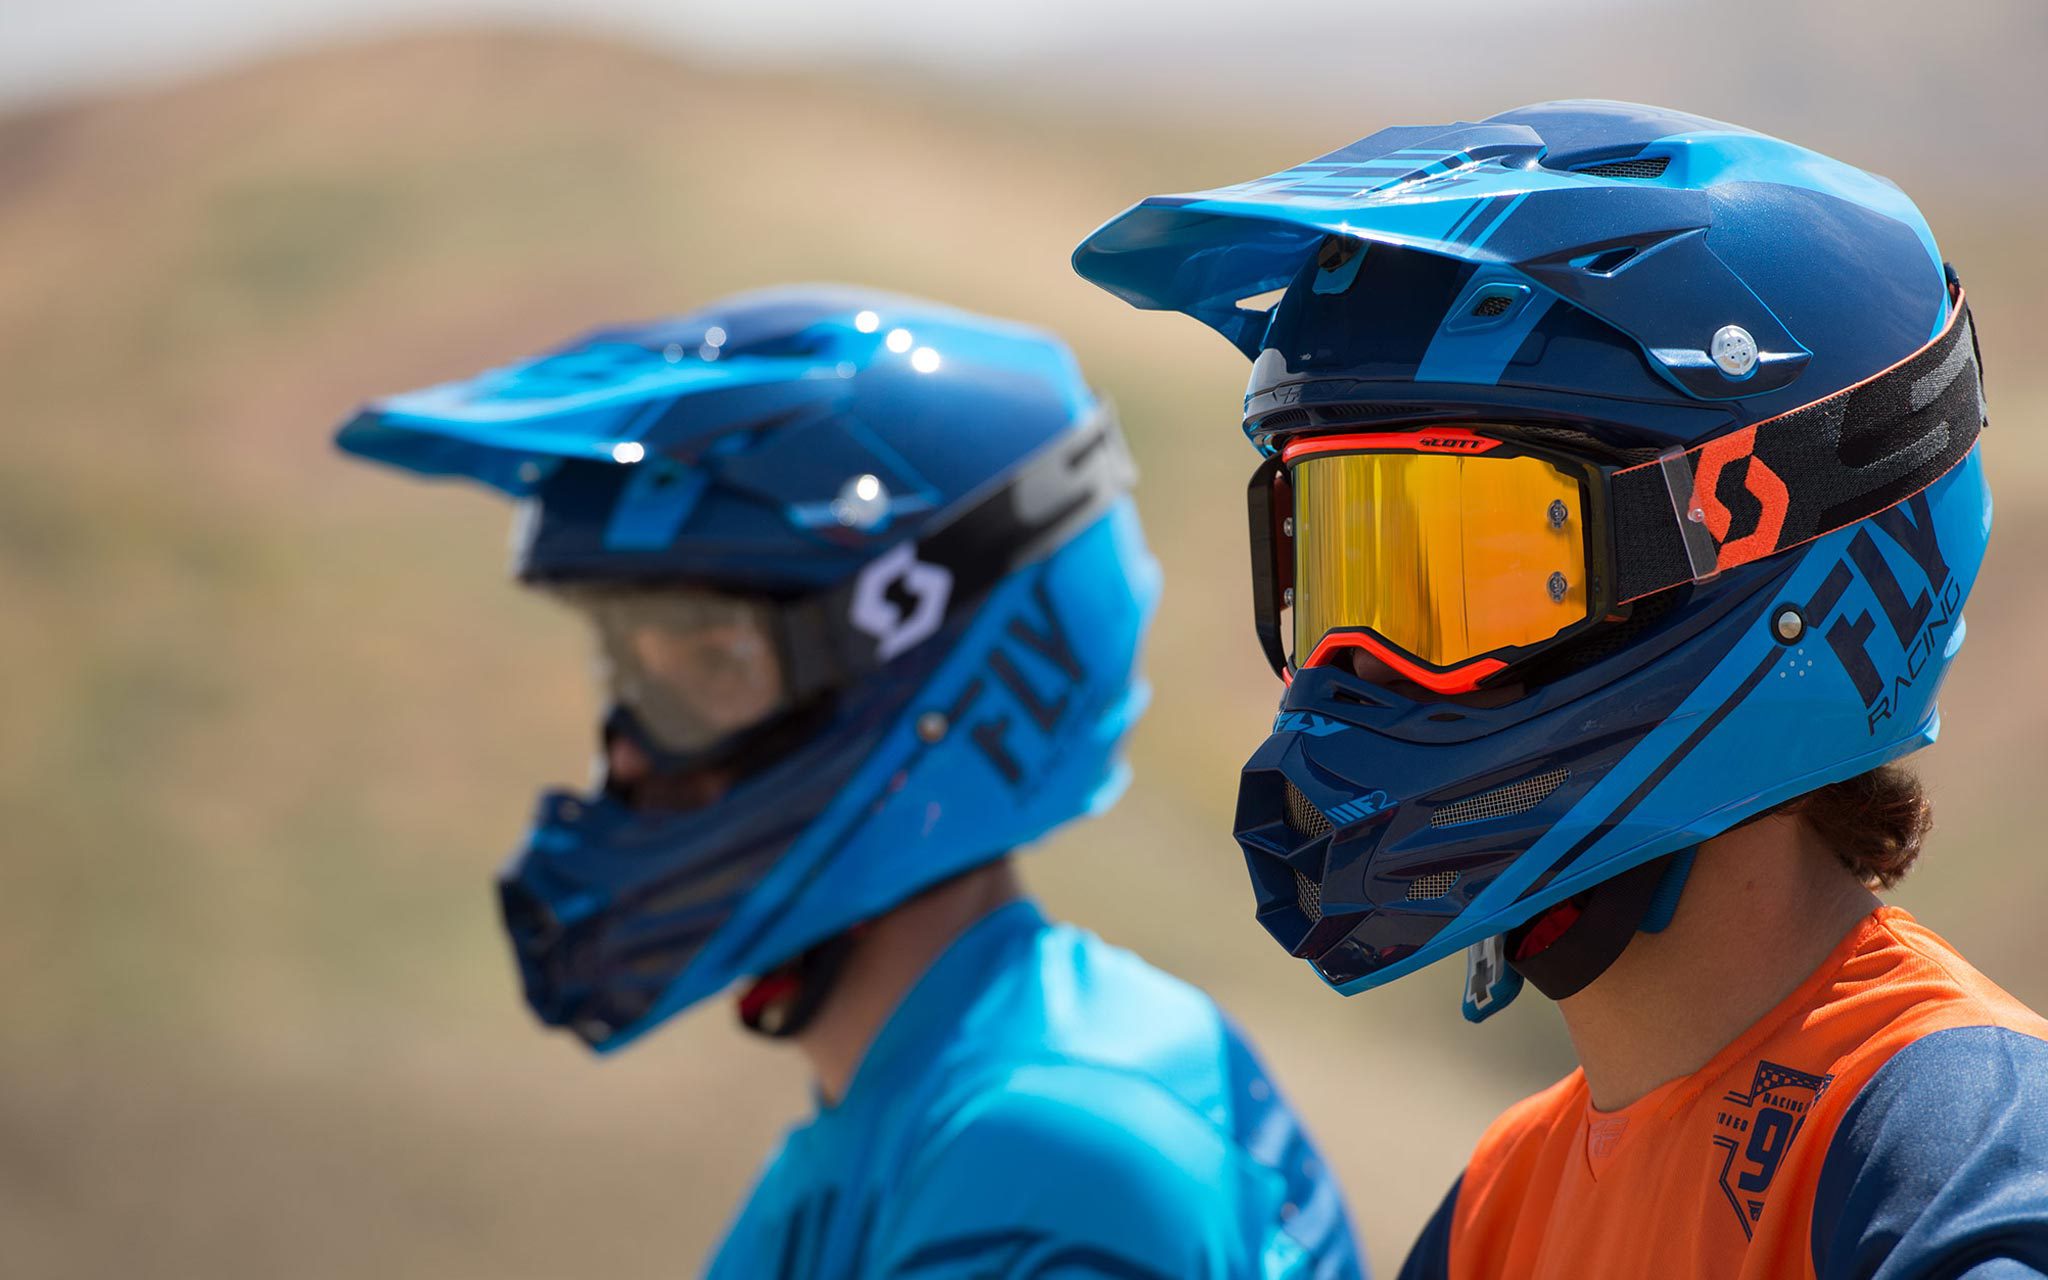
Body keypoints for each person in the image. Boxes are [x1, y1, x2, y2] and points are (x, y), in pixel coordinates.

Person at [1073, 101, 2047, 1277]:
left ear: (1742, 529)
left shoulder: (1954, 1155)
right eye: (1343, 562)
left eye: (1481, 568)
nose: (1358, 663)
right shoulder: (1501, 1201)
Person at [335, 286, 1365, 1279]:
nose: (634, 753)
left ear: (911, 655)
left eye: (710, 664)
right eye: (629, 669)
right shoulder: (935, 1103)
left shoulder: (1044, 1151)